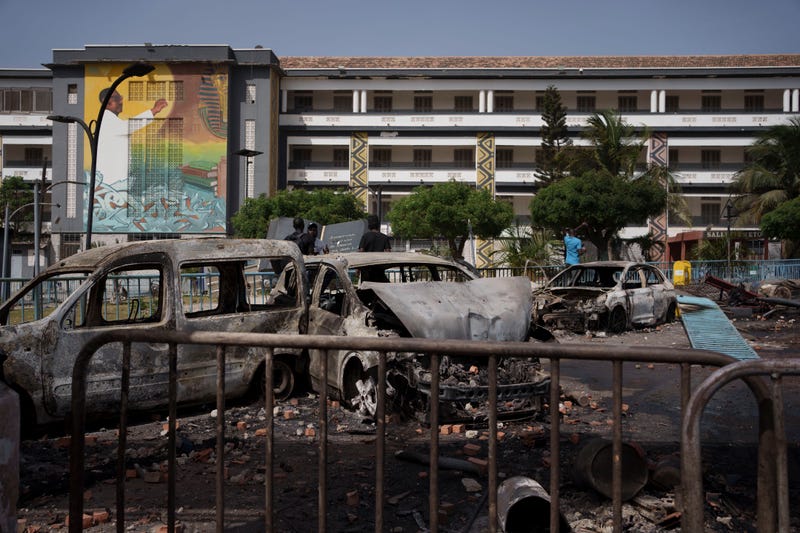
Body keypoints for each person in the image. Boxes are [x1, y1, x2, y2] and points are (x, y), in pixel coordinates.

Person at [95, 88, 168, 189]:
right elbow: (128, 126)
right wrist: (154, 111)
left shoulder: (111, 120)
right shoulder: (107, 120)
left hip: (115, 183)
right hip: (112, 183)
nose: (121, 101)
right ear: (106, 102)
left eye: (120, 98)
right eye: (117, 98)